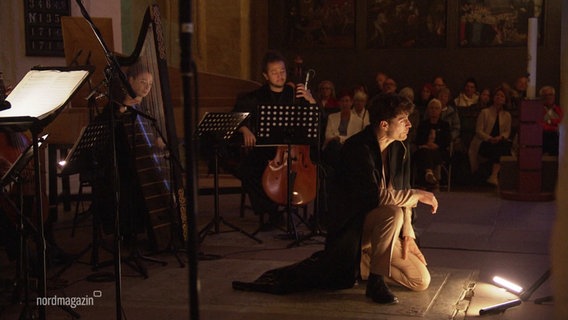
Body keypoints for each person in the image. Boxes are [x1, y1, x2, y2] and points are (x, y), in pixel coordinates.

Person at [232, 93, 438, 305]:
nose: (409, 125)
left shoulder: (399, 148)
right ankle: (375, 281)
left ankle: (363, 263)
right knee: (391, 211)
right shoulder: (358, 148)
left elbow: (400, 192)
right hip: (357, 229)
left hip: (386, 233)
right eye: (403, 120)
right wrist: (416, 194)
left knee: (420, 280)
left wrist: (408, 234)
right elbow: (374, 197)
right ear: (384, 124)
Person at [232, 51, 316, 227]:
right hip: (266, 150)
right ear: (265, 75)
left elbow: (318, 120)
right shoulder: (255, 97)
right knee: (248, 169)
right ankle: (271, 211)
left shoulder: (296, 94)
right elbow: (235, 117)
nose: (280, 75)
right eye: (274, 72)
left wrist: (311, 101)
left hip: (293, 150)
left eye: (283, 71)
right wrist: (244, 128)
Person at [468, 86, 512, 186]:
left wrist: (500, 137)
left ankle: (494, 175)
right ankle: (492, 175)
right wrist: (489, 138)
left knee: (504, 146)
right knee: (499, 148)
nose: (499, 98)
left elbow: (507, 132)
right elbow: (478, 131)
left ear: (505, 100)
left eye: (502, 96)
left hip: (499, 142)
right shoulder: (485, 112)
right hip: (484, 142)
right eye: (497, 95)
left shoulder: (507, 115)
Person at [413, 99, 451, 188]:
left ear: (440, 110)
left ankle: (427, 177)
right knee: (425, 152)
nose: (434, 110)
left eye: (436, 108)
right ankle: (431, 175)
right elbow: (418, 139)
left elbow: (447, 140)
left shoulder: (444, 125)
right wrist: (426, 144)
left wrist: (436, 145)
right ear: (428, 110)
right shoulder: (423, 124)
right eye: (432, 108)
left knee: (430, 153)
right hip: (423, 149)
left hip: (439, 150)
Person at [322, 90, 363, 168]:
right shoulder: (332, 117)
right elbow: (328, 135)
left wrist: (339, 138)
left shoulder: (358, 121)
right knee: (334, 146)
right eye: (342, 101)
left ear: (351, 103)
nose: (345, 104)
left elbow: (355, 137)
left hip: (349, 147)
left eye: (347, 101)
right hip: (333, 146)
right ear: (339, 103)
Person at [538, 85, 563, 156]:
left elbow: (561, 122)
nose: (548, 97)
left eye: (550, 95)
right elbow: (540, 125)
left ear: (554, 96)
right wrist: (553, 126)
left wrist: (551, 122)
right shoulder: (537, 110)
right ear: (541, 97)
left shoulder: (559, 110)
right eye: (545, 95)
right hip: (544, 136)